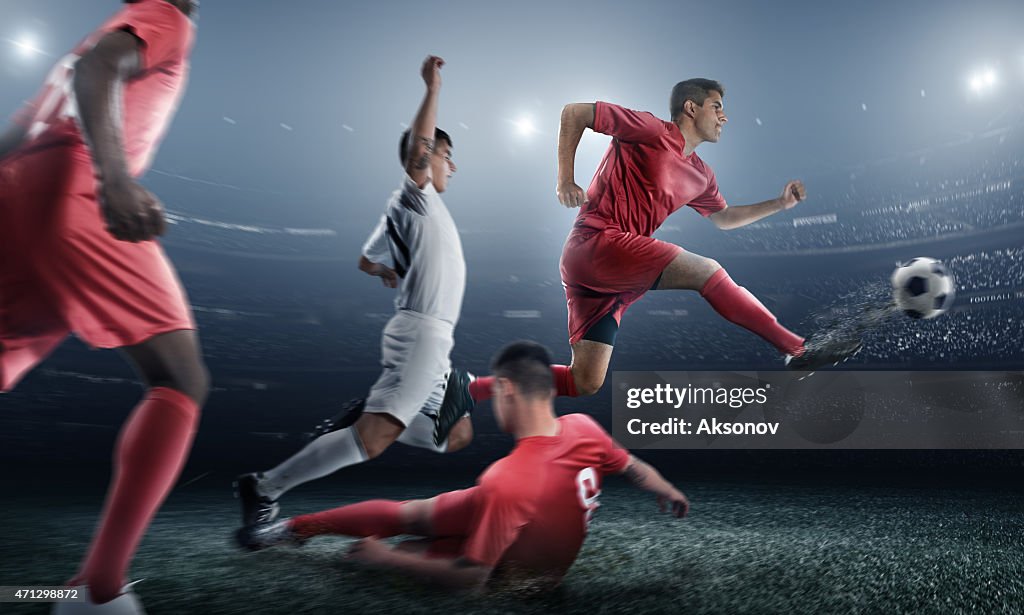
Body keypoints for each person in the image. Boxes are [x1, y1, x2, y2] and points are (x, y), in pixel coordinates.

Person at [449, 79, 861, 417]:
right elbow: (574, 111)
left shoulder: (701, 175)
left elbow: (725, 218)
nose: (724, 116)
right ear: (690, 108)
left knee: (585, 381)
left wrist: (780, 204)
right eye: (716, 106)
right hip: (597, 243)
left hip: (615, 272)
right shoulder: (649, 130)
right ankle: (797, 348)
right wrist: (564, 179)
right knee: (706, 271)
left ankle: (471, 389)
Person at [0, 1, 204, 612]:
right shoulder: (164, 15)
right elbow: (98, 70)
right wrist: (115, 178)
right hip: (75, 185)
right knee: (180, 377)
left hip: (17, 189)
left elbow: (22, 125)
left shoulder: (104, 27)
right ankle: (97, 590)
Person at [236, 341, 689, 593]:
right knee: (410, 515)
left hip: (516, 577)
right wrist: (666, 489)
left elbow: (471, 579)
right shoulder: (583, 428)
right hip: (527, 523)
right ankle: (293, 529)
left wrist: (385, 557)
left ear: (508, 391)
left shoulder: (509, 478)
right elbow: (633, 467)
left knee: (405, 543)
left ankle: (291, 530)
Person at [235, 56, 475, 530]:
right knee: (377, 436)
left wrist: (384, 269)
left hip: (436, 340)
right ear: (428, 155)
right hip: (422, 333)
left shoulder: (411, 209)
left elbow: (365, 258)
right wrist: (433, 89)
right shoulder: (415, 195)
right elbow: (419, 151)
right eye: (449, 154)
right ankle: (263, 489)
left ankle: (367, 411)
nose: (454, 164)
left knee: (458, 432)